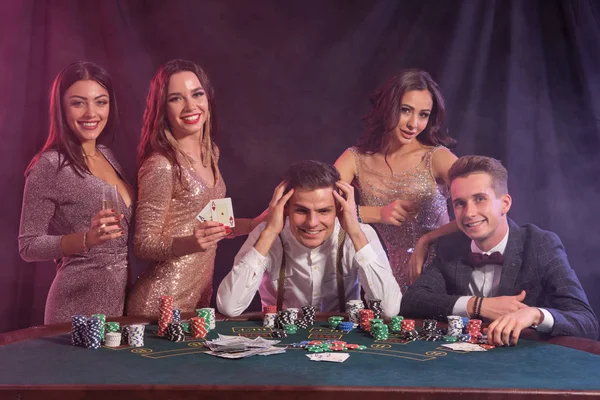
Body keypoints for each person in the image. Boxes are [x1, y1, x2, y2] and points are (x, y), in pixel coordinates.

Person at [400, 155, 599, 344]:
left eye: (480, 199)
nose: (469, 213)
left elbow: (587, 322)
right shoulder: (450, 246)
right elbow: (413, 301)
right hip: (460, 363)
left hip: (523, 365)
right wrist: (477, 305)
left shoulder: (539, 244)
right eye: (460, 203)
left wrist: (535, 314)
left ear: (504, 204)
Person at [127, 59, 261, 316]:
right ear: (162, 108)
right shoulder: (161, 164)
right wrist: (191, 242)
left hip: (197, 303)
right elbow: (143, 244)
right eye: (176, 98)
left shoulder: (211, 153)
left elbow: (216, 225)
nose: (190, 106)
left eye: (197, 94)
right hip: (159, 306)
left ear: (207, 99)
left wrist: (260, 222)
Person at [18, 61, 133, 324]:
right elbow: (28, 245)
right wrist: (86, 239)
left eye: (100, 102)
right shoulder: (50, 165)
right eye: (78, 103)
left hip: (122, 303)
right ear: (61, 107)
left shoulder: (108, 155)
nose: (91, 113)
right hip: (77, 304)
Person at [216, 160, 401, 318]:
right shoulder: (265, 235)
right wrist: (269, 233)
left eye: (324, 211)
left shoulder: (361, 234)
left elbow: (388, 310)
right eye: (302, 211)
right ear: (285, 208)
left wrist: (356, 234)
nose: (312, 223)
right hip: (280, 343)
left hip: (344, 342)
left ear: (339, 208)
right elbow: (229, 306)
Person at [334, 69, 458, 293]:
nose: (414, 124)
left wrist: (427, 239)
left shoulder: (437, 157)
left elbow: (478, 210)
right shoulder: (356, 158)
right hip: (386, 278)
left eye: (423, 115)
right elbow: (320, 206)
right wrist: (377, 213)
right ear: (387, 107)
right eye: (405, 110)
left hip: (441, 274)